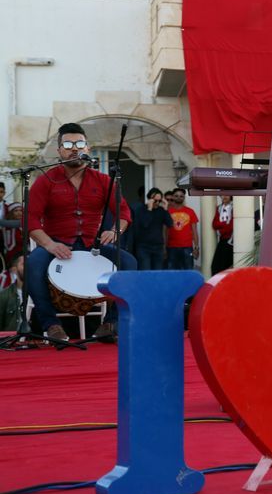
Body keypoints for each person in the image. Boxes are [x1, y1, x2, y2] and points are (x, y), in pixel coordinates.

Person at [26, 123, 135, 342]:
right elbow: (29, 218)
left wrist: (115, 231)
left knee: (129, 262)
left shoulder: (104, 181)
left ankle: (110, 324)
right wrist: (49, 244)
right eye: (68, 145)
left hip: (92, 245)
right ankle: (51, 325)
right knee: (33, 263)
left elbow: (124, 212)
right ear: (59, 151)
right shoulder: (46, 180)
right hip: (56, 243)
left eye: (79, 144)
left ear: (88, 148)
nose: (74, 149)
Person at [131, 187, 173, 270]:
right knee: (145, 270)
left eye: (159, 201)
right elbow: (145, 224)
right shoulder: (141, 209)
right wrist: (149, 209)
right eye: (155, 200)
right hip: (144, 246)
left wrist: (166, 208)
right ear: (149, 199)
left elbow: (170, 224)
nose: (157, 203)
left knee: (158, 271)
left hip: (158, 246)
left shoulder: (161, 210)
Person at [166, 188, 199, 270]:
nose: (179, 198)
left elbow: (194, 231)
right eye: (176, 196)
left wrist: (196, 248)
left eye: (181, 196)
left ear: (184, 197)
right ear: (173, 197)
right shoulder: (167, 212)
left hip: (187, 247)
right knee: (172, 272)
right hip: (171, 247)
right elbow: (164, 231)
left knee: (188, 271)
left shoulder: (190, 211)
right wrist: (164, 247)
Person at [0, 254, 24, 331]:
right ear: (14, 270)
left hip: (35, 338)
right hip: (12, 338)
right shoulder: (4, 295)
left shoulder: (39, 293)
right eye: (24, 264)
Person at [211, 196, 234, 275]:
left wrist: (221, 226)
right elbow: (214, 225)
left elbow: (231, 227)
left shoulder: (234, 207)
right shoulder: (219, 208)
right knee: (215, 266)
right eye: (223, 194)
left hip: (231, 241)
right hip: (222, 239)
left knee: (226, 266)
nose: (224, 196)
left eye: (227, 195)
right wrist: (225, 224)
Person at [2, 202, 24, 266]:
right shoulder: (4, 227)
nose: (19, 213)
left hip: (22, 256)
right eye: (16, 211)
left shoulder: (24, 224)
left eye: (21, 210)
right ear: (11, 213)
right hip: (8, 257)